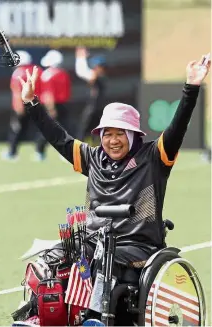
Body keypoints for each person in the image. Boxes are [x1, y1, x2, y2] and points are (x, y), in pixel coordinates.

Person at [17, 54, 210, 322]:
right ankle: (44, 315)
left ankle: (94, 318)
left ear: (133, 135)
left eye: (120, 133)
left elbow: (177, 129)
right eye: (107, 133)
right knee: (53, 259)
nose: (113, 140)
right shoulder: (93, 158)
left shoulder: (154, 157)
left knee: (101, 260)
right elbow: (59, 138)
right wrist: (31, 103)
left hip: (137, 246)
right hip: (94, 241)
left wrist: (191, 88)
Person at [2, 50, 43, 161]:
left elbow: (16, 92)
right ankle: (40, 152)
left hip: (23, 105)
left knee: (17, 129)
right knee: (40, 129)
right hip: (37, 103)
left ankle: (12, 152)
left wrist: (18, 107)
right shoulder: (37, 70)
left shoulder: (18, 72)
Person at [37, 49, 71, 161]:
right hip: (61, 105)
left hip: (51, 105)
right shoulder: (63, 73)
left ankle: (40, 151)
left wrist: (50, 108)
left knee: (49, 129)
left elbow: (48, 94)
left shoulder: (47, 75)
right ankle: (63, 152)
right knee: (63, 130)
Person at [75, 47, 108, 145]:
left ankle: (77, 150)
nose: (94, 68)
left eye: (95, 66)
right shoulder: (100, 76)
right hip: (98, 108)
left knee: (84, 130)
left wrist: (80, 58)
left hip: (93, 109)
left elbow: (81, 72)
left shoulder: (97, 76)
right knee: (92, 132)